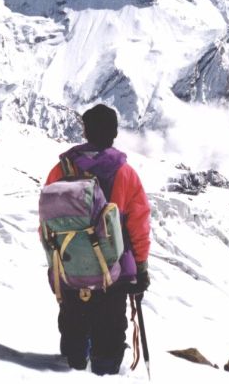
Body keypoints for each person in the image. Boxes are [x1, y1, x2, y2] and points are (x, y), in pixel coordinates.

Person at [43, 103, 151, 375]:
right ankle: (105, 372)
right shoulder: (125, 173)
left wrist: (54, 262)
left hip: (70, 266)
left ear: (85, 130)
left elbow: (48, 219)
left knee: (73, 324)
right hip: (112, 270)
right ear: (114, 133)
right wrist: (140, 267)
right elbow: (138, 225)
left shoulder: (62, 168)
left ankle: (70, 368)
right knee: (110, 330)